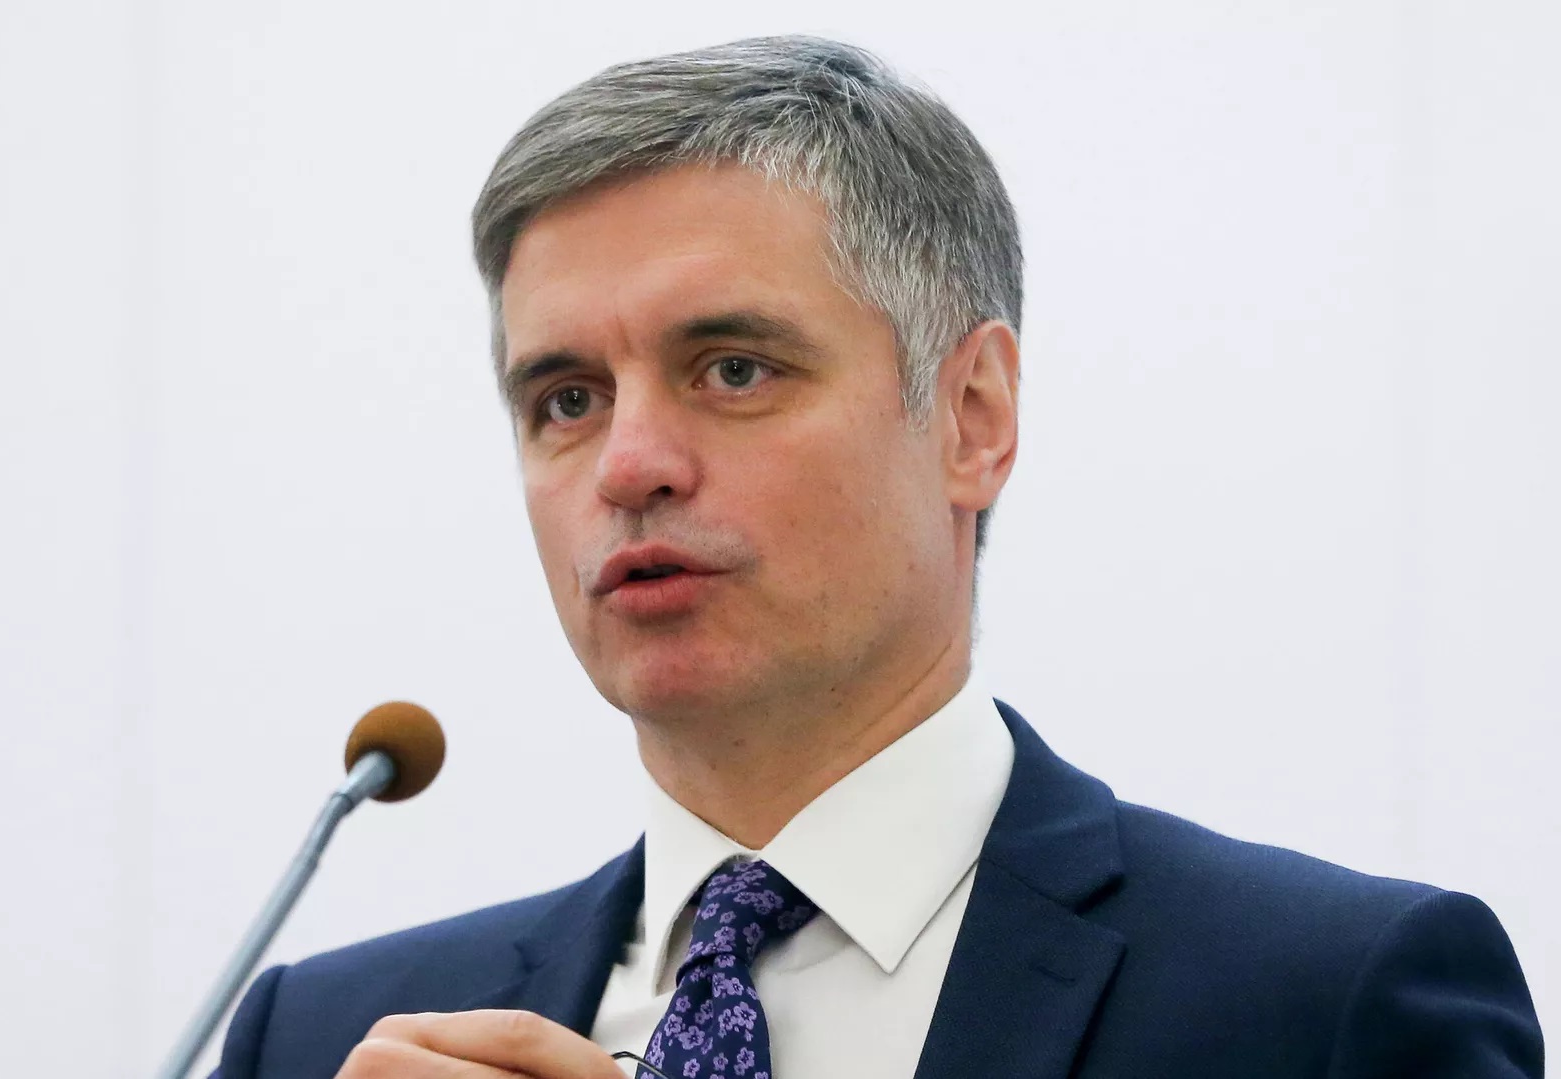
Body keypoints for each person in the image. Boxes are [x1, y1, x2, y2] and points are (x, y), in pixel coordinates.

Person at [213, 35, 1542, 1079]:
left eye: (733, 369)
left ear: (972, 419)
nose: (628, 465)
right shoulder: (324, 1039)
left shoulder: (1323, 1003)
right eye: (567, 398)